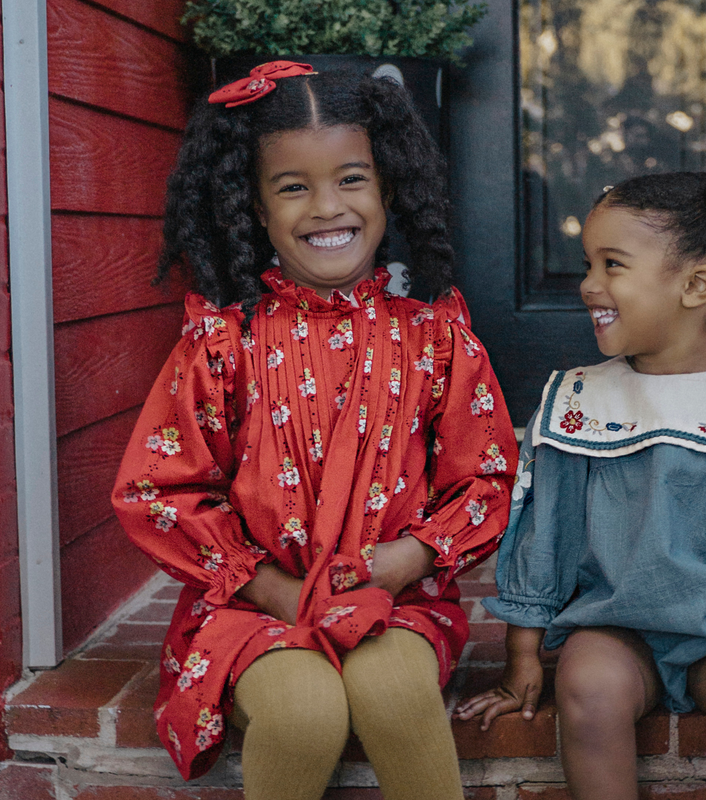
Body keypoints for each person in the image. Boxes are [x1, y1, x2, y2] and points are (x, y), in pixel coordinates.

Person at [112, 61, 518, 800]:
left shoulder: (437, 340)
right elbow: (157, 491)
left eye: (352, 179)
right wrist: (268, 587)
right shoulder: (223, 346)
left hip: (392, 597)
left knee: (395, 693)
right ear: (256, 210)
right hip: (251, 605)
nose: (327, 207)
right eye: (293, 186)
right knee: (303, 713)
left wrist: (409, 557)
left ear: (388, 191)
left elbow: (485, 476)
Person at [454, 172, 706, 800]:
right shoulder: (580, 400)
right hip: (618, 626)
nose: (590, 284)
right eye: (587, 263)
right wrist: (521, 660)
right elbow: (547, 538)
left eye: (613, 264)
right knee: (587, 687)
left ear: (696, 284)